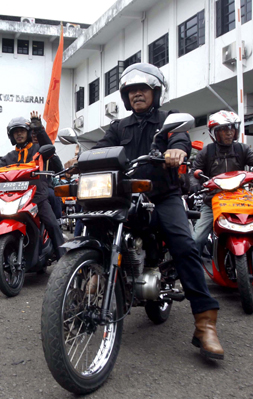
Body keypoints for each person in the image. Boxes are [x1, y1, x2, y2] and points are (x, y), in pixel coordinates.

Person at [82, 63, 224, 360]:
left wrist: (178, 151)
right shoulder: (119, 127)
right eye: (131, 91)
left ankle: (205, 324)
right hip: (125, 196)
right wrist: (82, 159)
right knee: (92, 217)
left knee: (185, 246)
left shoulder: (168, 119)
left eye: (142, 90)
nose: (136, 95)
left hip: (162, 195)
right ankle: (94, 273)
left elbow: (181, 137)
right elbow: (102, 149)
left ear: (155, 92)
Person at [190, 110, 253, 290]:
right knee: (197, 238)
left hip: (240, 199)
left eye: (231, 128)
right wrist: (193, 182)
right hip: (213, 201)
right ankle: (191, 274)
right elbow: (194, 171)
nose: (229, 132)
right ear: (215, 133)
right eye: (224, 129)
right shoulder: (207, 151)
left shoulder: (241, 149)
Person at [0, 111, 66, 276]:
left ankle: (65, 265)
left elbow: (52, 156)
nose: (19, 134)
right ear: (11, 136)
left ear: (29, 133)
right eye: (16, 132)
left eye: (22, 131)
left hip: (37, 197)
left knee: (52, 224)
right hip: (13, 199)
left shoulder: (39, 150)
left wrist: (40, 130)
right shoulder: (9, 156)